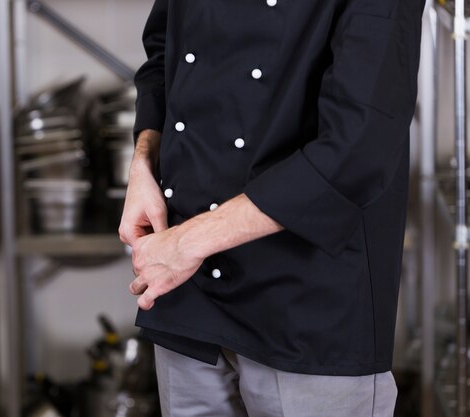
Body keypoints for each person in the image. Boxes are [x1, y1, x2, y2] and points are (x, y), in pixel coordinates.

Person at [119, 0, 425, 415]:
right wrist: (143, 163)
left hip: (306, 303)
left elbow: (358, 149)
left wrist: (189, 243)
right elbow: (162, 54)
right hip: (187, 296)